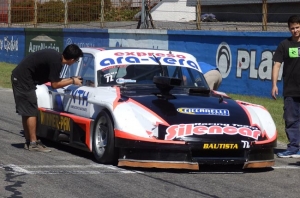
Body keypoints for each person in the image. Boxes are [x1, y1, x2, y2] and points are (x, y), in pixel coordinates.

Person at [11, 44, 83, 152]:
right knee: (31, 112)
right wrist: (73, 81)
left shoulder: (55, 58)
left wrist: (70, 79)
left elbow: (54, 79)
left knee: (27, 111)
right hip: (23, 80)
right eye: (76, 61)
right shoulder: (56, 62)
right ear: (72, 60)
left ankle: (29, 140)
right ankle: (33, 143)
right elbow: (55, 84)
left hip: (22, 78)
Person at [272, 15, 300, 158]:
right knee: (291, 119)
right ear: (289, 29)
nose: (295, 30)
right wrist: (274, 85)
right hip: (291, 89)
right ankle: (294, 147)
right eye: (292, 28)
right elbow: (277, 65)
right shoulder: (284, 45)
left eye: (297, 27)